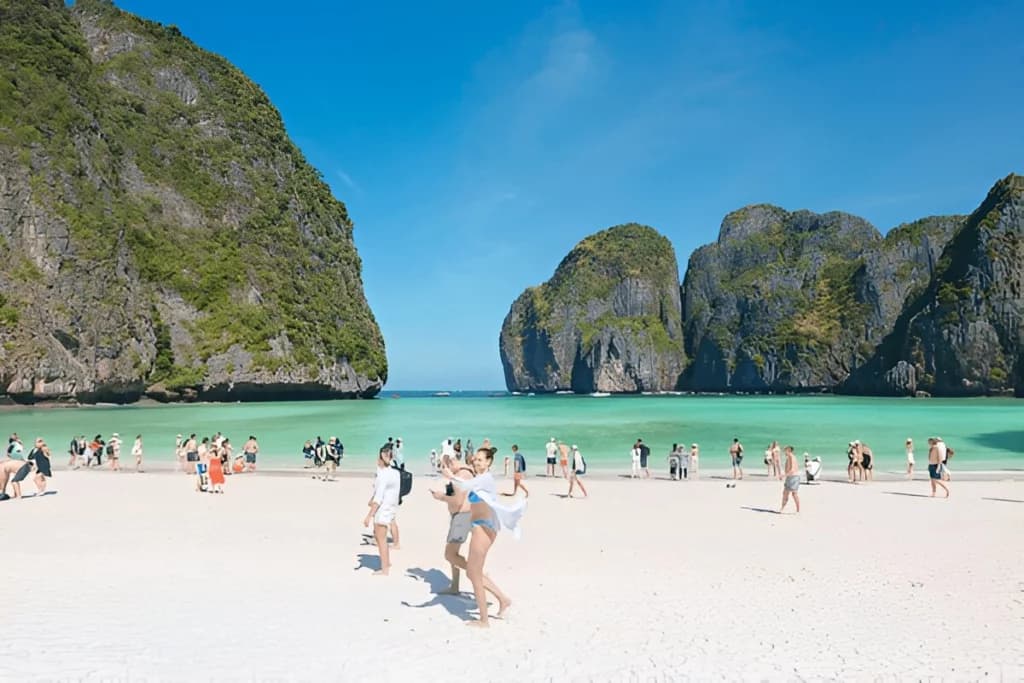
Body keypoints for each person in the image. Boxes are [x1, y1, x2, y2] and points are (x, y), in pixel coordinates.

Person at [440, 447, 522, 627]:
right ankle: (503, 600)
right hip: (480, 526)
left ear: (489, 462)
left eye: (480, 460)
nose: (477, 462)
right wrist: (454, 469)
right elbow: (467, 480)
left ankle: (484, 620)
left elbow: (466, 485)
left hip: (483, 528)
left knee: (474, 574)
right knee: (472, 571)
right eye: (475, 459)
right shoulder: (480, 478)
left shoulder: (485, 479)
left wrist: (449, 475)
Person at [431, 451, 474, 594]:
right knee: (453, 554)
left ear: (451, 461)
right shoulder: (461, 475)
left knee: (450, 554)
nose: (444, 468)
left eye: (445, 464)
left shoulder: (462, 475)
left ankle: (477, 573)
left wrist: (440, 497)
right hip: (459, 516)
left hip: (462, 517)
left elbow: (458, 501)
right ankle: (455, 585)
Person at [364, 446, 401, 576]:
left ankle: (385, 569)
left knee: (381, 540)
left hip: (382, 509)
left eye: (378, 457)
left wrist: (369, 516)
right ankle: (387, 563)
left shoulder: (383, 475)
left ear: (383, 458)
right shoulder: (395, 473)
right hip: (391, 507)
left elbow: (378, 498)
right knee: (380, 536)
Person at [779, 445, 800, 513]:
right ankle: (782, 508)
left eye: (785, 450)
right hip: (789, 477)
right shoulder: (789, 457)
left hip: (794, 477)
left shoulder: (791, 457)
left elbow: (792, 469)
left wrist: (783, 475)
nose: (784, 452)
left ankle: (798, 510)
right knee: (785, 493)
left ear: (788, 450)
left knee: (794, 494)